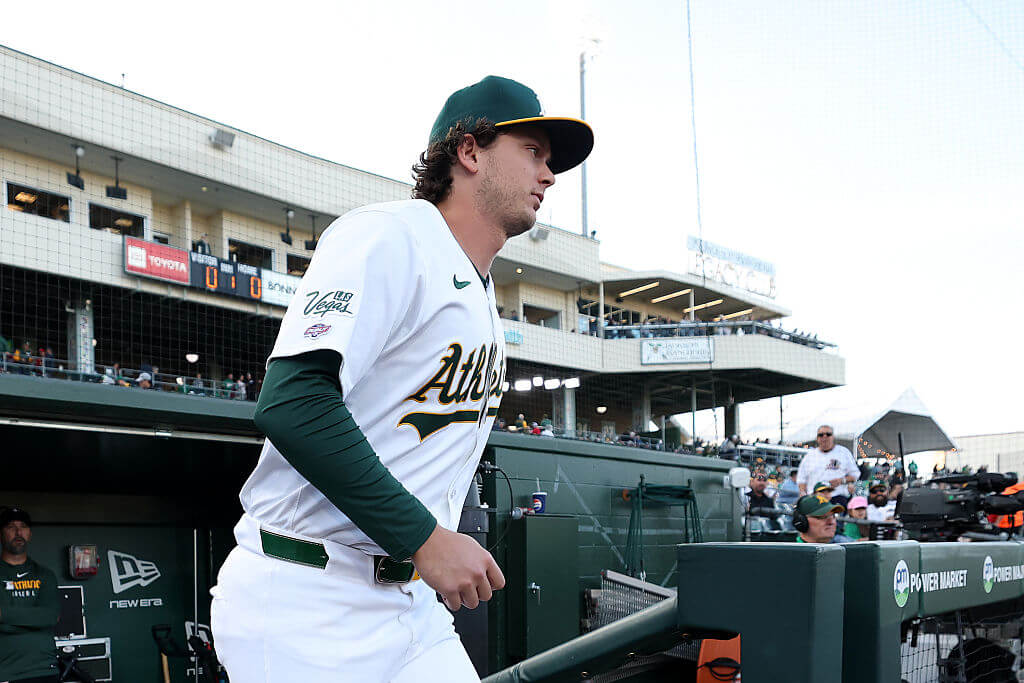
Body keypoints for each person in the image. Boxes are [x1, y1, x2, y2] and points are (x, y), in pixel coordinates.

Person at [210, 75, 593, 682]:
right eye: (532, 152)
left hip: (409, 602)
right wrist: (425, 538)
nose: (549, 175)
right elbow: (294, 402)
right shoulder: (390, 235)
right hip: (305, 596)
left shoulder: (482, 292)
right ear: (469, 151)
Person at [0, 507, 59, 683]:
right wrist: (35, 621)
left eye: (23, 527)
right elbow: (42, 618)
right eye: (11, 527)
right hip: (5, 672)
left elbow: (50, 616)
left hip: (44, 669)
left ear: (30, 534)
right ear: (1, 534)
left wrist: (3, 615)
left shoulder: (45, 575)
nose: (18, 532)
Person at [796, 425, 859, 500]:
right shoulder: (809, 456)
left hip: (837, 497)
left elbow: (855, 475)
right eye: (821, 435)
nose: (824, 437)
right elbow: (801, 480)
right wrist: (803, 494)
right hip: (814, 498)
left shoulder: (843, 452)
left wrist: (842, 480)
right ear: (817, 438)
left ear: (833, 437)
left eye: (828, 434)